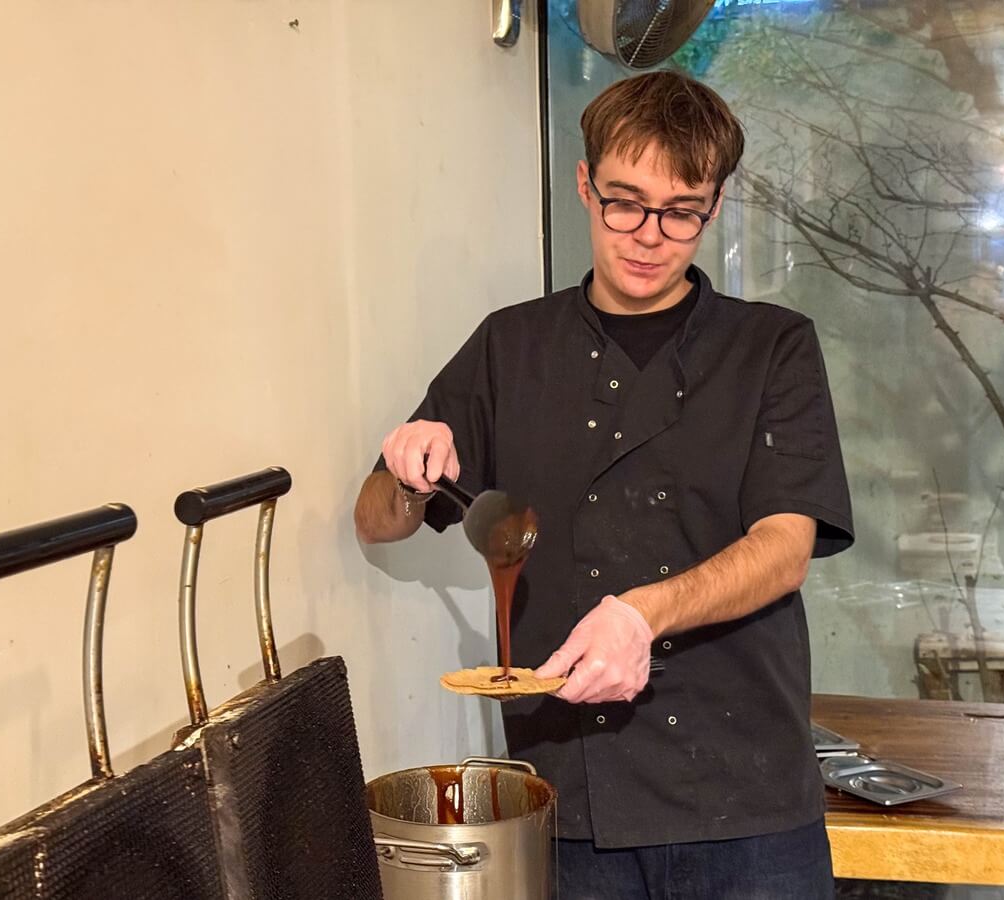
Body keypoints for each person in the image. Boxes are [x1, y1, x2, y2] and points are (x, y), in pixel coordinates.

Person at [354, 70, 853, 899]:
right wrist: (408, 471)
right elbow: (376, 519)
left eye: (681, 211)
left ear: (715, 207)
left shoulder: (772, 348)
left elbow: (785, 549)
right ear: (586, 186)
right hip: (570, 803)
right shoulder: (510, 348)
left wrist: (641, 614)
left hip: (748, 803)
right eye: (625, 203)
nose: (649, 236)